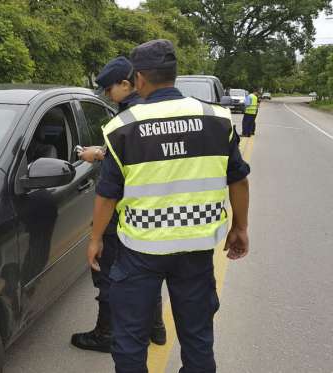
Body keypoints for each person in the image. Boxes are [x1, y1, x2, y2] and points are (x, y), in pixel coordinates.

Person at [87, 39, 251, 373]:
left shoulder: (122, 127)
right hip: (196, 248)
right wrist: (240, 227)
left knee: (130, 339)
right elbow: (238, 180)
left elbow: (107, 193)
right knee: (197, 337)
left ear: (140, 79)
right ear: (174, 75)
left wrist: (96, 239)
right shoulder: (216, 119)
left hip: (139, 250)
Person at [71, 57, 167, 354]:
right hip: (153, 212)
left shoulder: (123, 120)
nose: (106, 96)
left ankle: (105, 334)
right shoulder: (152, 112)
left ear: (126, 84)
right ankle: (157, 328)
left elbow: (110, 189)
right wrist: (100, 154)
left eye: (108, 89)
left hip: (124, 213)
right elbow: (137, 154)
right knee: (148, 271)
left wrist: (95, 236)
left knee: (109, 274)